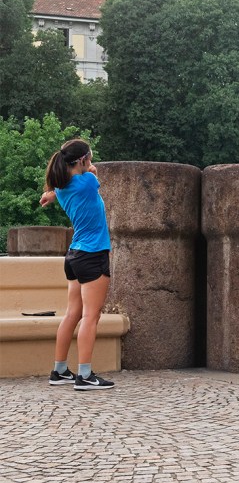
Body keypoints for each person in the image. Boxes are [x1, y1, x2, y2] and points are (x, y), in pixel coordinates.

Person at [39, 138, 114, 390]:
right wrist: (90, 168)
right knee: (91, 316)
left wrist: (50, 195)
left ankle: (59, 370)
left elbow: (63, 185)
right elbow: (92, 174)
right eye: (89, 157)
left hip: (73, 256)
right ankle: (85, 375)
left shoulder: (61, 187)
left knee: (73, 314)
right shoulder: (88, 181)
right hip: (93, 254)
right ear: (82, 160)